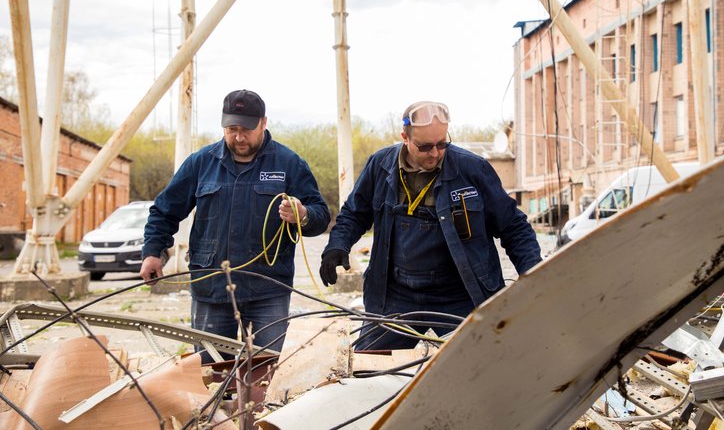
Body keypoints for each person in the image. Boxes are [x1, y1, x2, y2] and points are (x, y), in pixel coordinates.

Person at [320, 100, 541, 350]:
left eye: (442, 144)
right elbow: (354, 213)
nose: (435, 153)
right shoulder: (380, 166)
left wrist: (533, 272)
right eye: (424, 147)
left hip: (461, 294)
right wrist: (337, 244)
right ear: (405, 137)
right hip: (396, 295)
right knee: (368, 367)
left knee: (485, 364)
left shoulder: (472, 169)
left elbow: (513, 226)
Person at [141, 89, 330, 355]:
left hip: (269, 290)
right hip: (212, 289)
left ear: (264, 123)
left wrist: (303, 215)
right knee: (211, 373)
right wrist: (152, 252)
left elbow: (321, 214)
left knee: (267, 373)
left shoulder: (289, 164)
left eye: (247, 129)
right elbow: (164, 211)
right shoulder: (200, 163)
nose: (239, 137)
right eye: (232, 129)